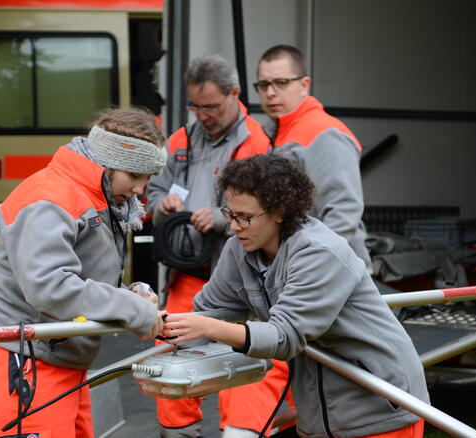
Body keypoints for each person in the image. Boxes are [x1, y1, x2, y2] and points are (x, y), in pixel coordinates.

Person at [163, 154, 430, 438]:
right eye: (229, 214)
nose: (234, 226)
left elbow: (284, 336)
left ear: (280, 211)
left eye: (245, 217)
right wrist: (158, 326)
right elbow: (208, 310)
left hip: (381, 404)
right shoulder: (238, 250)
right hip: (320, 413)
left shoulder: (319, 252)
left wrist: (208, 327)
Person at [0, 107, 167, 438]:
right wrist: (129, 308)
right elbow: (49, 285)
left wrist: (130, 295)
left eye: (148, 178)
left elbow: (82, 279)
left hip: (56, 364)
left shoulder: (95, 196)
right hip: (23, 364)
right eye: (134, 175)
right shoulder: (50, 196)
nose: (140, 189)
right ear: (108, 162)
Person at [146, 54, 284, 437]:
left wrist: (222, 219)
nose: (203, 115)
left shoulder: (257, 142)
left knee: (238, 367)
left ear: (234, 94)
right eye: (196, 107)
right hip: (187, 276)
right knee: (171, 363)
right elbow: (153, 189)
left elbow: (268, 210)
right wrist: (160, 205)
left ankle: (236, 432)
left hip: (242, 284)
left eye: (211, 107)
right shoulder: (181, 139)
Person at [255, 44, 372, 270]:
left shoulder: (325, 133)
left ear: (304, 85)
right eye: (263, 85)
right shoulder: (269, 134)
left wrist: (314, 268)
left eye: (281, 82)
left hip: (330, 274)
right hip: (292, 268)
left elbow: (343, 213)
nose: (270, 93)